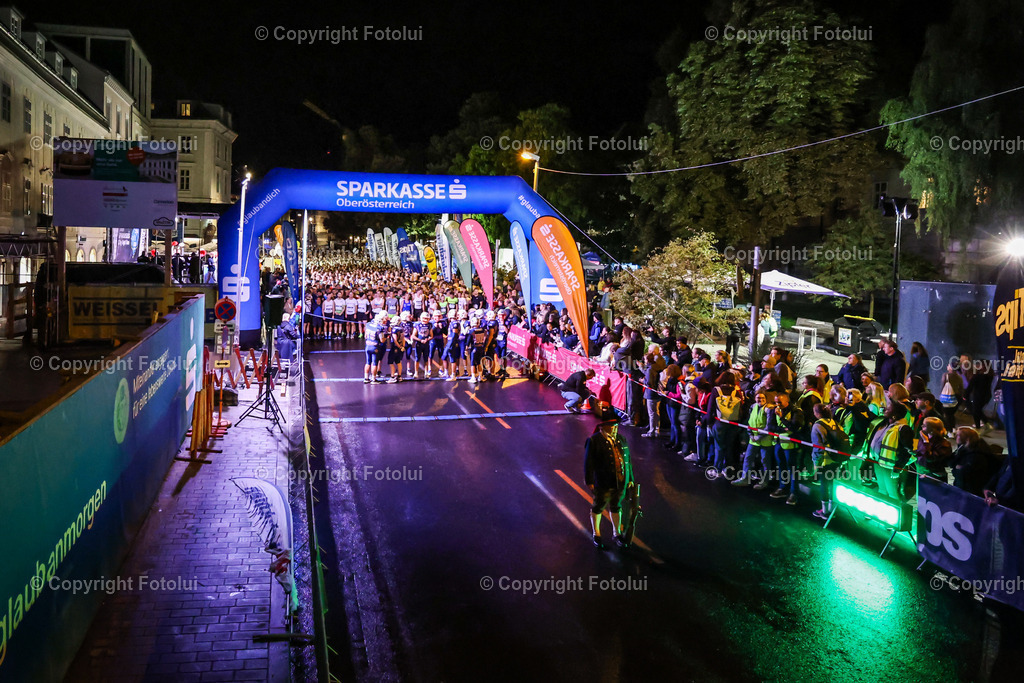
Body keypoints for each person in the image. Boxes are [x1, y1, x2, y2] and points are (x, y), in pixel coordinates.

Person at [583, 419, 635, 549]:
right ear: (603, 426)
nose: (615, 428)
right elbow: (588, 463)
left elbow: (627, 460)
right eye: (612, 426)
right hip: (603, 481)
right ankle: (597, 533)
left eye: (616, 426)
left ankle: (616, 533)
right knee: (598, 507)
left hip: (620, 481)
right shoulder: (594, 440)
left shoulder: (621, 439)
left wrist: (630, 478)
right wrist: (589, 481)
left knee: (616, 506)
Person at [810, 404, 849, 520]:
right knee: (832, 483)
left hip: (825, 460)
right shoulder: (834, 422)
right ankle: (831, 508)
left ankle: (824, 511)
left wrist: (816, 462)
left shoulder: (817, 426)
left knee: (824, 484)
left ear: (817, 414)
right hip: (836, 458)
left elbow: (818, 447)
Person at [767, 392, 804, 505]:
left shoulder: (796, 412)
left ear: (787, 401)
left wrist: (782, 418)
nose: (777, 404)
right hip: (779, 443)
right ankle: (782, 488)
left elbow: (795, 427)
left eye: (779, 402)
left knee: (792, 469)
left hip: (791, 445)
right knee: (781, 467)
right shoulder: (773, 411)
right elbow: (771, 427)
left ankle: (794, 493)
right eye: (775, 402)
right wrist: (784, 429)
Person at [736, 391, 774, 488]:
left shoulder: (768, 409)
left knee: (765, 460)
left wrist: (758, 436)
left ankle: (764, 482)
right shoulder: (753, 407)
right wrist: (751, 435)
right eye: (758, 398)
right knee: (748, 458)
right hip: (753, 439)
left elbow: (769, 426)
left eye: (762, 398)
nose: (760, 400)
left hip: (765, 439)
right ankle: (745, 478)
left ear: (766, 399)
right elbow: (750, 421)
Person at [950, 427, 998, 496]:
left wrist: (957, 469)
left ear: (966, 438)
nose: (956, 437)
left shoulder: (977, 454)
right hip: (963, 487)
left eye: (958, 435)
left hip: (972, 490)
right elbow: (952, 462)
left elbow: (964, 473)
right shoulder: (962, 448)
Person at [641, 346, 667, 438]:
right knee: (657, 412)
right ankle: (657, 430)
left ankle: (651, 431)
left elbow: (649, 382)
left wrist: (642, 381)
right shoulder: (656, 366)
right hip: (658, 393)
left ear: (647, 360)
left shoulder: (649, 369)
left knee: (652, 413)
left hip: (651, 394)